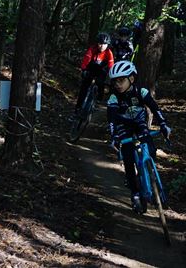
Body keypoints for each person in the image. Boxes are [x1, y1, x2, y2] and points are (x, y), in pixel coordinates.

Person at [107, 60, 172, 213]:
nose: (117, 84)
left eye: (121, 80)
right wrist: (114, 137)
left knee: (150, 146)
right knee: (128, 158)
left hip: (139, 123)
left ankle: (150, 173)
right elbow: (111, 119)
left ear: (131, 79)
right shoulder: (114, 98)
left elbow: (155, 109)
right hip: (124, 126)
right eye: (115, 81)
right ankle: (135, 193)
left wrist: (163, 125)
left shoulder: (141, 92)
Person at [71, 32, 114, 119]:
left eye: (104, 44)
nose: (102, 46)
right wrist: (83, 70)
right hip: (91, 69)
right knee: (83, 89)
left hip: (101, 71)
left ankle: (98, 100)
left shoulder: (109, 53)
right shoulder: (92, 49)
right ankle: (77, 110)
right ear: (97, 43)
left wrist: (112, 76)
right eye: (100, 43)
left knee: (100, 83)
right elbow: (86, 60)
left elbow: (111, 65)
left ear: (107, 45)